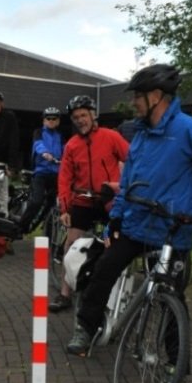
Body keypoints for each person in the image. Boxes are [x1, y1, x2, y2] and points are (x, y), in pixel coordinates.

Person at [67, 64, 192, 357]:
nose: (134, 101)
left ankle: (175, 363)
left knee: (172, 297)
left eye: (138, 95)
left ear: (157, 96)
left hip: (173, 231)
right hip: (135, 224)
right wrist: (116, 216)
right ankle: (87, 328)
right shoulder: (142, 135)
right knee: (103, 271)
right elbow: (129, 183)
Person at [50, 95, 129, 312]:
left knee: (113, 244)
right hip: (83, 199)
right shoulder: (71, 145)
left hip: (108, 199)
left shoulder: (111, 136)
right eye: (76, 117)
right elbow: (64, 178)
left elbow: (132, 158)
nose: (80, 120)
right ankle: (65, 293)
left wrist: (122, 185)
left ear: (93, 115)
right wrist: (65, 208)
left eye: (83, 115)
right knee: (71, 243)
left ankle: (111, 295)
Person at [18, 106, 63, 233]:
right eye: (48, 118)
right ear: (44, 121)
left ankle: (46, 226)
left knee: (53, 204)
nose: (51, 121)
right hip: (41, 173)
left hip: (56, 173)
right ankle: (22, 225)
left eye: (54, 119)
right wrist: (45, 153)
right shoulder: (39, 132)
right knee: (36, 201)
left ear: (58, 121)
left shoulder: (60, 136)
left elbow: (66, 150)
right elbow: (38, 144)